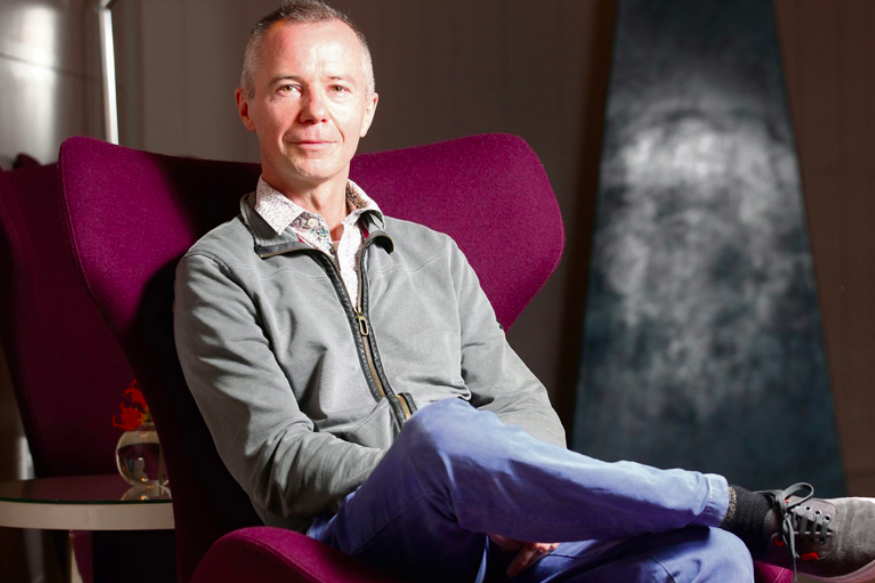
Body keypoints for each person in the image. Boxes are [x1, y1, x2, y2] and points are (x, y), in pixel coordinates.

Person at [172, 1, 875, 581]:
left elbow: (518, 402)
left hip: (503, 530)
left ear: (368, 110)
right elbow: (279, 461)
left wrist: (517, 501)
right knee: (443, 433)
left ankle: (725, 528)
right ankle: (744, 508)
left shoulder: (430, 252)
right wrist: (463, 481)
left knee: (709, 559)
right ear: (247, 106)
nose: (313, 110)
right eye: (287, 86)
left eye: (337, 87)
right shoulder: (219, 270)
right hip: (366, 529)